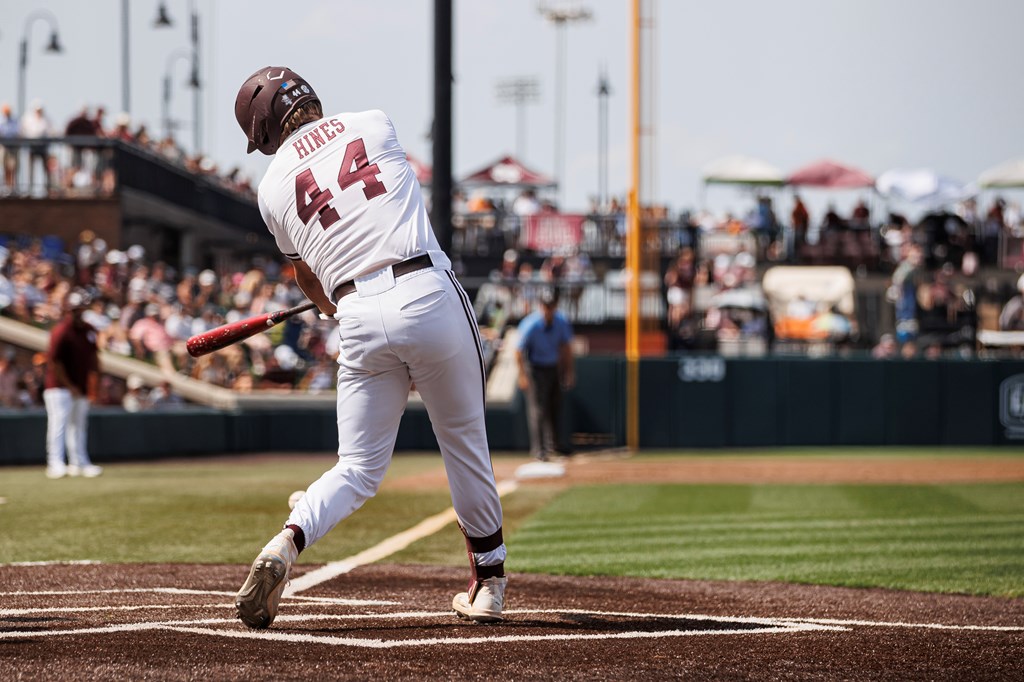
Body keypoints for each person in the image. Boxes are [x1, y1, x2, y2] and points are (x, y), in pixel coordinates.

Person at [231, 66, 506, 628]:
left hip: (357, 314)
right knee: (463, 442)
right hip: (428, 291)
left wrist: (332, 302)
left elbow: (310, 279)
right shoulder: (374, 123)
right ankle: (489, 583)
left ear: (263, 133)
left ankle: (287, 541)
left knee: (356, 467)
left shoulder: (271, 189)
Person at [43, 290, 102, 478]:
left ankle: (80, 462)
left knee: (79, 425)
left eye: (81, 309)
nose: (78, 312)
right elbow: (55, 362)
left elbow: (94, 358)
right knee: (58, 424)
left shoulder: (88, 330)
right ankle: (55, 463)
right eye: (76, 309)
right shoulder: (61, 331)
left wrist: (93, 383)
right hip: (59, 388)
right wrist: (70, 386)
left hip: (81, 385)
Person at [516, 288, 575, 462]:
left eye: (551, 305)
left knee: (555, 407)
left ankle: (555, 444)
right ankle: (539, 448)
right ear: (540, 305)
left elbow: (566, 348)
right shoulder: (531, 324)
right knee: (538, 409)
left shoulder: (561, 321)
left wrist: (569, 371)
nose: (548, 309)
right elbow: (518, 351)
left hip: (553, 367)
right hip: (535, 368)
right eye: (545, 305)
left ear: (555, 306)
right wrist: (522, 375)